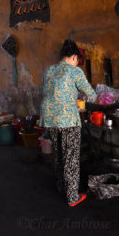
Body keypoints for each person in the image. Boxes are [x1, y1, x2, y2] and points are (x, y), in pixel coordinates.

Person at [40, 39, 96, 207]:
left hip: (50, 118)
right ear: (73, 57)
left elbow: (52, 92)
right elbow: (91, 95)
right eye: (78, 59)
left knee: (59, 154)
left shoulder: (49, 70)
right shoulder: (75, 71)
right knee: (71, 157)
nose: (78, 62)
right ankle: (72, 197)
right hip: (68, 120)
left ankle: (62, 187)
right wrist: (97, 97)